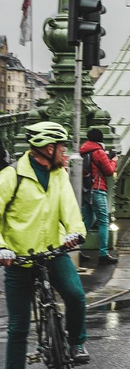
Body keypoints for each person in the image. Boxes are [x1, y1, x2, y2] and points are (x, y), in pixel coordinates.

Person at [0, 121, 90, 367]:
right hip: (18, 259)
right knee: (18, 327)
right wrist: (1, 248)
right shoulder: (11, 176)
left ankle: (75, 343)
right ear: (49, 149)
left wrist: (75, 232)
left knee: (75, 295)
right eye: (62, 147)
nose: (66, 153)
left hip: (53, 251)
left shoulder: (59, 174)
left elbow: (69, 207)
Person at [79, 128, 118, 265]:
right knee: (103, 221)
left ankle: (77, 249)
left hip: (85, 190)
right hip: (97, 189)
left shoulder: (82, 151)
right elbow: (109, 171)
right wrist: (113, 160)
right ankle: (103, 253)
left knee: (87, 220)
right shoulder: (99, 152)